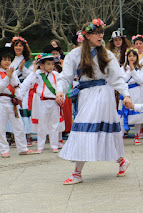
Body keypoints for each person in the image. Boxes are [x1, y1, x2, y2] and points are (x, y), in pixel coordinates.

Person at [55, 19, 132, 184]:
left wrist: (126, 95)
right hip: (85, 95)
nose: (100, 35)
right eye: (96, 33)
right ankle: (121, 161)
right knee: (91, 130)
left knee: (88, 129)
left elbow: (117, 78)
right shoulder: (74, 54)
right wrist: (59, 90)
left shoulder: (107, 54)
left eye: (101, 32)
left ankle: (77, 173)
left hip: (102, 94)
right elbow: (65, 76)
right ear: (87, 35)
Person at [20, 54, 64, 153]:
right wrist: (35, 70)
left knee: (54, 124)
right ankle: (40, 146)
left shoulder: (56, 75)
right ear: (42, 65)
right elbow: (28, 82)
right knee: (42, 125)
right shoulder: (38, 75)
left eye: (52, 64)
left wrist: (61, 97)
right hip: (43, 102)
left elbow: (61, 86)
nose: (51, 66)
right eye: (48, 64)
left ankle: (54, 145)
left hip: (54, 102)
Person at [0, 45, 35, 157]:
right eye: (4, 59)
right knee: (1, 127)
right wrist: (7, 77)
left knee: (19, 125)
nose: (7, 62)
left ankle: (22, 148)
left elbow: (16, 85)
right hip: (1, 101)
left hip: (12, 102)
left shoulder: (12, 71)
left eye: (9, 60)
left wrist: (19, 98)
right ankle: (4, 150)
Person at [10, 37, 34, 146]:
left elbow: (30, 74)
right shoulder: (9, 59)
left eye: (20, 45)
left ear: (24, 47)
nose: (18, 47)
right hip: (11, 87)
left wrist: (22, 68)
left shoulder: (28, 61)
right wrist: (19, 70)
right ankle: (15, 136)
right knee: (14, 111)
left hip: (23, 87)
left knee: (24, 109)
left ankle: (28, 135)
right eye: (16, 45)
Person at [118, 48, 143, 145]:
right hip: (126, 92)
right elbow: (123, 80)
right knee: (123, 115)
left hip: (137, 92)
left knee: (137, 115)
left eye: (134, 56)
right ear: (127, 57)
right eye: (130, 56)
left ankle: (137, 136)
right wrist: (130, 70)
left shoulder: (141, 68)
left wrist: (133, 70)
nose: (132, 58)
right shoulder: (122, 68)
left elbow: (141, 81)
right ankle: (121, 135)